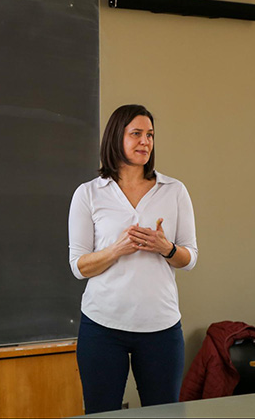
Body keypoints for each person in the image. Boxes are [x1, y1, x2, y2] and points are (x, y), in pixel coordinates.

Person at [68, 104, 198, 414]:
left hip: (161, 327)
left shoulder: (174, 191)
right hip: (103, 326)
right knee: (102, 413)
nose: (145, 142)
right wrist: (117, 249)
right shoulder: (89, 194)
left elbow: (190, 258)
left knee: (164, 413)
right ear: (116, 138)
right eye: (136, 134)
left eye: (150, 135)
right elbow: (78, 266)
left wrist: (165, 248)